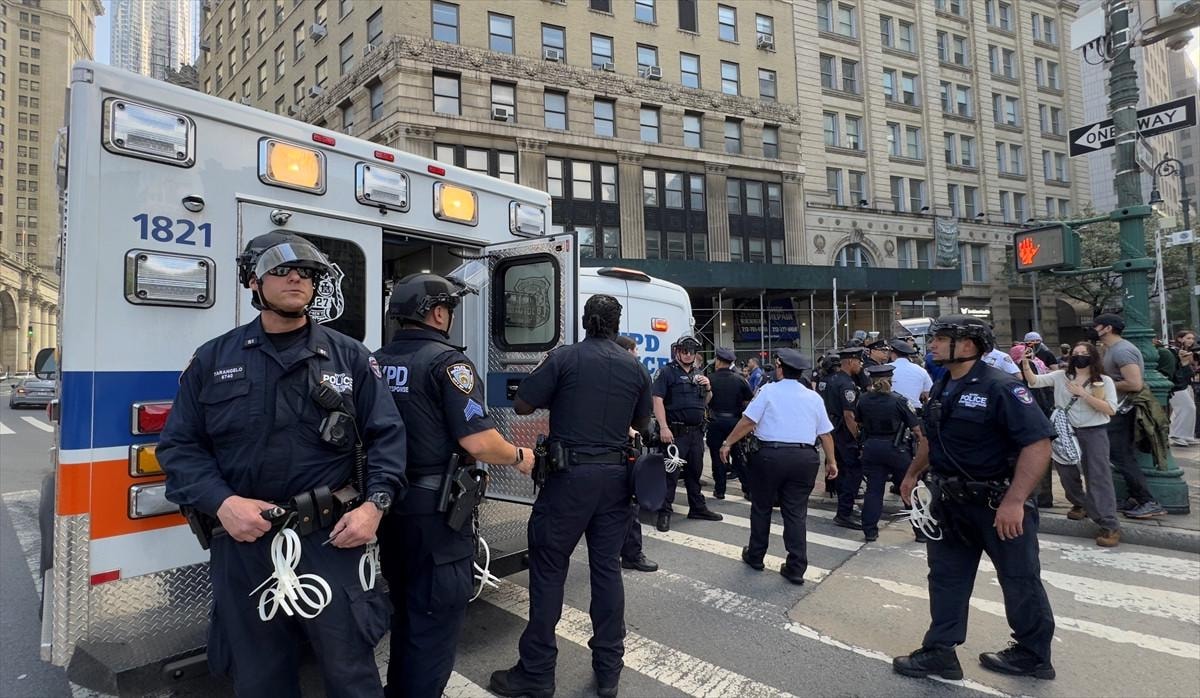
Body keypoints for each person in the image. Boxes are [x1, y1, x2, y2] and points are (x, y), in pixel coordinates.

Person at [158, 233, 406, 698]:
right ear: (253, 281)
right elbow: (179, 448)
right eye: (281, 270)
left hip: (331, 538)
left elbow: (387, 438)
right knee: (258, 678)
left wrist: (374, 507)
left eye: (307, 273)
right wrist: (223, 503)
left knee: (351, 673)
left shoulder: (350, 356)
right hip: (243, 541)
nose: (296, 278)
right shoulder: (213, 359)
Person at [373, 272, 536, 698]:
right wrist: (520, 456)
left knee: (407, 611)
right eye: (448, 308)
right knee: (434, 620)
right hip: (437, 516)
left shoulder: (374, 361)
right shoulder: (449, 364)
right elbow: (480, 442)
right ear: (437, 313)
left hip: (389, 508)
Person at [489, 295, 652, 698]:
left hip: (568, 479)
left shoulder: (564, 358)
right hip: (616, 481)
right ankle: (609, 671)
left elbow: (522, 403)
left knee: (549, 570)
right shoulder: (634, 366)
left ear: (584, 320)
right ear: (617, 324)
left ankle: (537, 672)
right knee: (607, 571)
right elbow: (640, 420)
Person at [893, 315, 1057, 682]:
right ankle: (940, 652)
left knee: (1019, 578)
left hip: (997, 503)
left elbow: (1038, 443)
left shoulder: (1002, 387)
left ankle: (1032, 654)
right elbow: (932, 438)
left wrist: (1015, 501)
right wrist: (912, 473)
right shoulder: (943, 385)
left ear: (968, 345)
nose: (932, 345)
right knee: (945, 577)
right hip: (950, 503)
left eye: (941, 339)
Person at [718, 349, 838, 584]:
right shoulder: (813, 397)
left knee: (762, 507)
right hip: (804, 458)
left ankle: (756, 556)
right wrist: (832, 461)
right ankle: (796, 567)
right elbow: (825, 433)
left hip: (770, 457)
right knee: (795, 513)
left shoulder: (768, 391)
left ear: (779, 367)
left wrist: (728, 443)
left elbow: (748, 421)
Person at [1020, 342, 1120, 547]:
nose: (1080, 356)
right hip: (1065, 429)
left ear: (1093, 357)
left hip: (1094, 431)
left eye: (1084, 353)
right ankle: (1080, 503)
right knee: (1066, 471)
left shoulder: (1104, 381)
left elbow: (1110, 409)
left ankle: (1108, 523)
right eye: (1076, 353)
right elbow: (1034, 381)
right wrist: (1026, 364)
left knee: (1098, 475)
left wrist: (1083, 394)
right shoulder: (1060, 376)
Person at [1090, 313, 1167, 518]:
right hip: (1117, 408)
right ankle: (1135, 497)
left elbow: (1134, 383)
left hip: (1123, 410)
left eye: (1096, 326)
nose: (1093, 329)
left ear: (1107, 328)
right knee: (1119, 455)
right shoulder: (1111, 349)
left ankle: (1148, 500)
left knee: (1121, 456)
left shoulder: (1122, 350)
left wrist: (1104, 385)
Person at [652, 335, 723, 531]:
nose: (688, 354)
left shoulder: (698, 374)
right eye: (684, 351)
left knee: (694, 471)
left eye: (692, 351)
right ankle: (664, 512)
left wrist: (708, 387)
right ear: (677, 351)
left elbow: (705, 402)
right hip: (675, 433)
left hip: (696, 433)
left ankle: (697, 507)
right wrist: (663, 427)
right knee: (671, 474)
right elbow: (657, 400)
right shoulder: (666, 372)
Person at [855, 364, 926, 542]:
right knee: (908, 489)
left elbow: (859, 422)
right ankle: (920, 531)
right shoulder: (899, 400)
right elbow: (916, 429)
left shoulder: (863, 400)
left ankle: (870, 531)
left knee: (874, 490)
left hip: (872, 447)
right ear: (890, 380)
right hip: (896, 449)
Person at [614, 335, 659, 573]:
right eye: (635, 350)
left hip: (615, 449)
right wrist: (630, 430)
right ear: (628, 351)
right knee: (628, 504)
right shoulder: (630, 373)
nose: (638, 354)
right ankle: (631, 554)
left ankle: (630, 553)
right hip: (621, 448)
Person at [821, 347, 865, 530]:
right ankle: (844, 513)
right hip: (844, 433)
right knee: (852, 472)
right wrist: (858, 437)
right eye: (859, 361)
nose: (861, 365)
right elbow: (849, 415)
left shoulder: (828, 380)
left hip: (830, 430)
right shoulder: (847, 383)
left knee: (840, 471)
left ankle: (845, 508)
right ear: (850, 362)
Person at [706, 347, 755, 500]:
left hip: (715, 421)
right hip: (735, 422)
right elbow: (749, 400)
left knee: (717, 457)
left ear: (718, 361)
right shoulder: (740, 379)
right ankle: (748, 489)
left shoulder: (710, 379)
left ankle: (720, 490)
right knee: (738, 456)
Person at [1168, 330, 1198, 446]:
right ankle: (1177, 434)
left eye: (1192, 338)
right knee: (1187, 407)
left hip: (1183, 384)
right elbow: (1178, 369)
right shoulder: (1174, 351)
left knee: (1190, 408)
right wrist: (1183, 361)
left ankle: (1186, 435)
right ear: (1180, 339)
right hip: (1177, 385)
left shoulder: (1185, 351)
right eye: (1188, 338)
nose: (1191, 341)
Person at [887, 338, 933, 411]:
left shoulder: (885, 369)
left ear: (893, 354)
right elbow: (928, 394)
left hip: (891, 410)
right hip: (914, 410)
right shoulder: (921, 370)